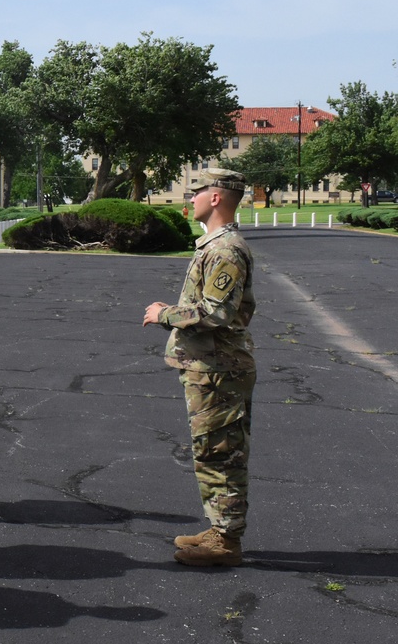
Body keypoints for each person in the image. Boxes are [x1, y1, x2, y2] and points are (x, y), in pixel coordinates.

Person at [142, 168, 256, 567]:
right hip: (209, 366)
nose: (188, 199)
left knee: (220, 452)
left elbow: (217, 312)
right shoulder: (213, 245)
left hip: (219, 369)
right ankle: (219, 527)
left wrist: (164, 314)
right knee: (211, 450)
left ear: (216, 198)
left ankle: (225, 541)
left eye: (196, 192)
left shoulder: (225, 250)